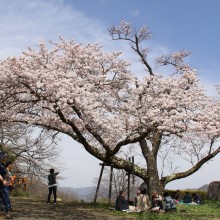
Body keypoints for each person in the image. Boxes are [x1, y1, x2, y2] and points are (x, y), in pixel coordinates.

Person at [0, 151, 12, 218]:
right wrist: (3, 180)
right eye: (3, 156)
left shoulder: (1, 163)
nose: (4, 157)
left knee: (4, 198)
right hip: (1, 183)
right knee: (4, 197)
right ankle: (5, 212)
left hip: (2, 183)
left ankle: (5, 212)